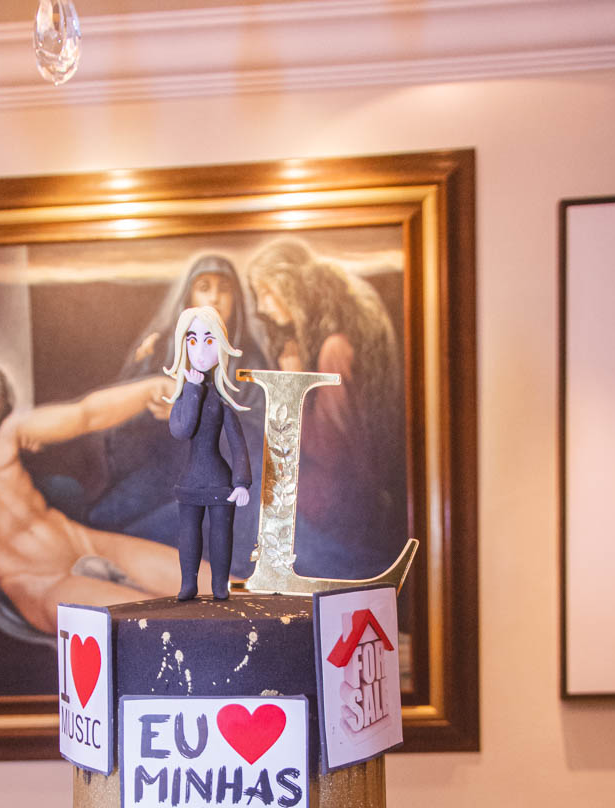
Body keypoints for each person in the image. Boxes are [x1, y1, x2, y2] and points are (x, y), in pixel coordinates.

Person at [0, 361, 202, 634]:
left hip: (84, 544)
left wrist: (152, 388)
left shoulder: (4, 431)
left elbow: (85, 415)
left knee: (220, 587)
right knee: (162, 629)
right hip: (40, 582)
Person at [84, 254, 268, 567]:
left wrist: (189, 415)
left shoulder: (250, 360)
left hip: (213, 479)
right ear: (189, 296)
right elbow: (125, 422)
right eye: (204, 287)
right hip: (160, 468)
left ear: (236, 298)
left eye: (224, 289)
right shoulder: (162, 348)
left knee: (138, 538)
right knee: (99, 522)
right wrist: (144, 375)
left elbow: (256, 439)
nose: (214, 297)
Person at [246, 238, 406, 579]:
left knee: (248, 509)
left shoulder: (335, 349)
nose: (262, 307)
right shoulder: (328, 334)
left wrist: (293, 385)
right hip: (340, 494)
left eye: (266, 292)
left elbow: (332, 452)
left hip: (338, 501)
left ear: (290, 285)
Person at [163, 307, 252, 600]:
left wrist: (241, 482)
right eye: (192, 341)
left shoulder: (222, 401)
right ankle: (189, 584)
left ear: (221, 345)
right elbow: (182, 430)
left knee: (221, 534)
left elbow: (238, 444)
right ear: (183, 345)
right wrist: (192, 390)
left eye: (209, 340)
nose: (200, 351)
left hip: (219, 480)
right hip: (190, 479)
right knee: (189, 533)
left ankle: (219, 585)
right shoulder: (184, 396)